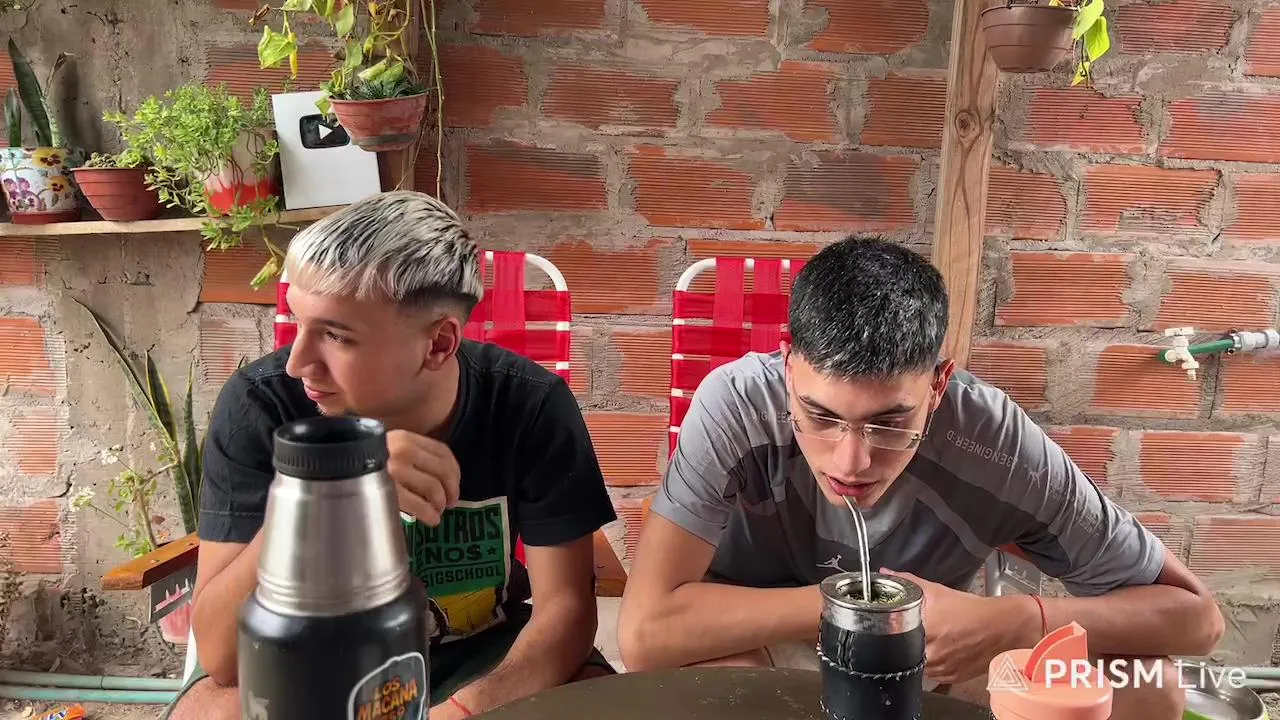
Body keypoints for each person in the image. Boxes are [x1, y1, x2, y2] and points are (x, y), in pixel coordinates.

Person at [616, 236, 1224, 719]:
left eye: (889, 422)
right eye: (820, 416)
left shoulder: (995, 444)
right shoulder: (734, 407)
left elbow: (1196, 619)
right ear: (787, 363)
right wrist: (858, 606)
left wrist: (1015, 621)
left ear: (938, 384)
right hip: (758, 642)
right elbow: (644, 634)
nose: (850, 462)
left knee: (1150, 687)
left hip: (928, 655)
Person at [169, 191, 618, 720]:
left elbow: (566, 611)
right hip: (304, 659)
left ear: (439, 344)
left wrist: (466, 710)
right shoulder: (261, 406)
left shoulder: (529, 404)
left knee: (601, 703)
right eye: (298, 321)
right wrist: (331, 496)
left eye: (335, 335)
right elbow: (222, 654)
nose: (297, 362)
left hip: (477, 653)